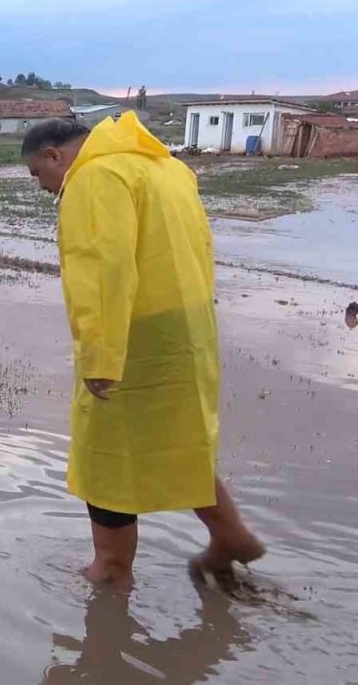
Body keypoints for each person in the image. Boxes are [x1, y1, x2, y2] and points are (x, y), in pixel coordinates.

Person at [22, 113, 264, 585]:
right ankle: (230, 534)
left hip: (133, 334)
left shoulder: (95, 176)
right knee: (176, 438)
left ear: (55, 155)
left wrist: (100, 355)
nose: (42, 186)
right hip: (187, 330)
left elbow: (103, 271)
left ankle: (110, 569)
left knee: (106, 455)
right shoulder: (167, 168)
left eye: (38, 174)